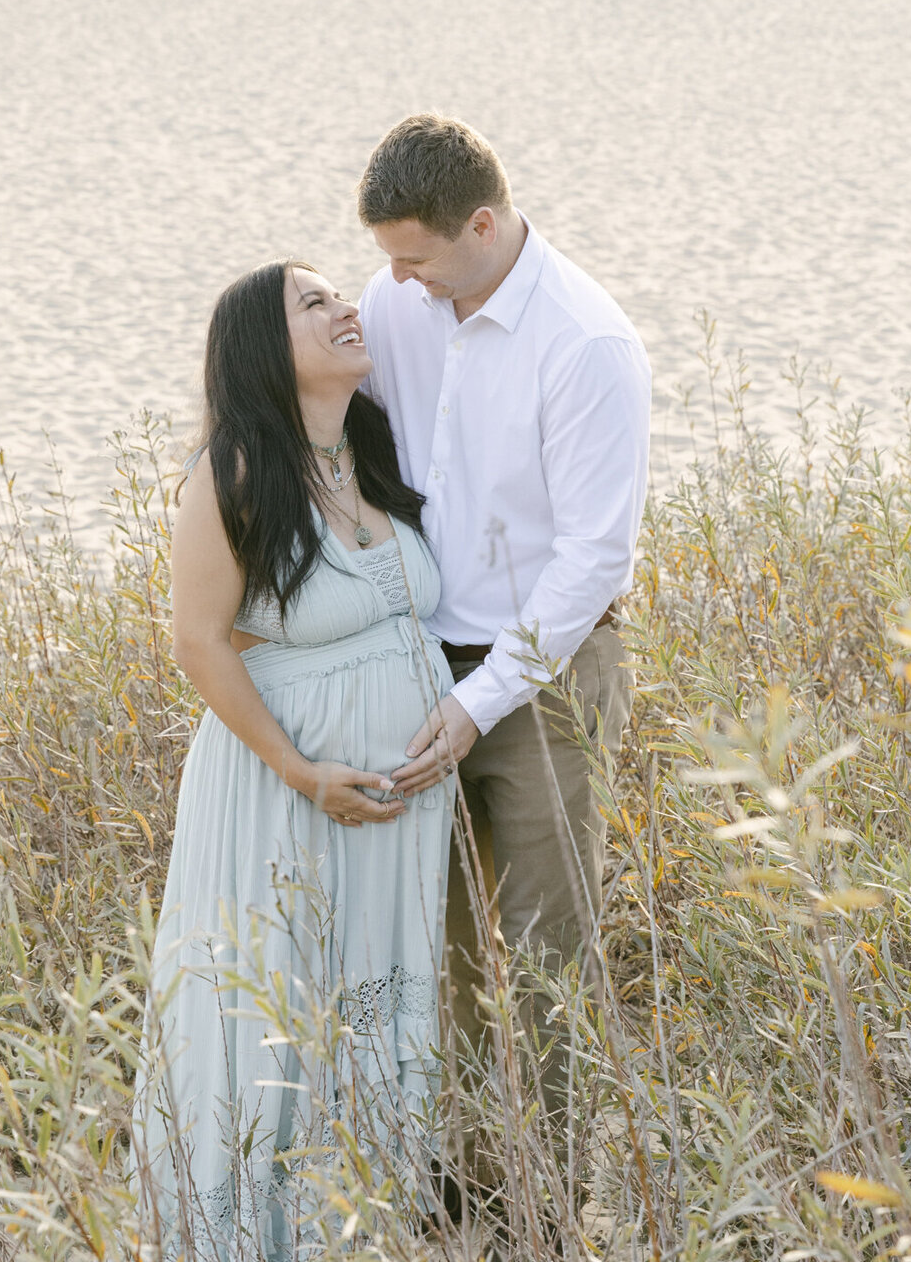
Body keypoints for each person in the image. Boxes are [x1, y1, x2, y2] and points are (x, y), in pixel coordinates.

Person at [132, 259, 455, 1261]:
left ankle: (357, 1230)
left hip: (400, 809)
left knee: (376, 1001)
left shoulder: (373, 444)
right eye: (311, 304)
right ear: (266, 350)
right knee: (282, 1008)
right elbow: (197, 639)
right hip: (289, 797)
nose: (344, 309)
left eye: (336, 295)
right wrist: (300, 771)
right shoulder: (233, 471)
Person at [356, 113, 651, 1170]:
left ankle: (545, 1201)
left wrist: (477, 705)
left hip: (547, 679)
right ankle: (458, 1180)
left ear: (481, 224)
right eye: (387, 261)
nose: (395, 283)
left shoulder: (588, 344)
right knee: (433, 949)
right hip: (411, 666)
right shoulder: (398, 300)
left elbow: (592, 562)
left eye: (415, 260)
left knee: (541, 954)